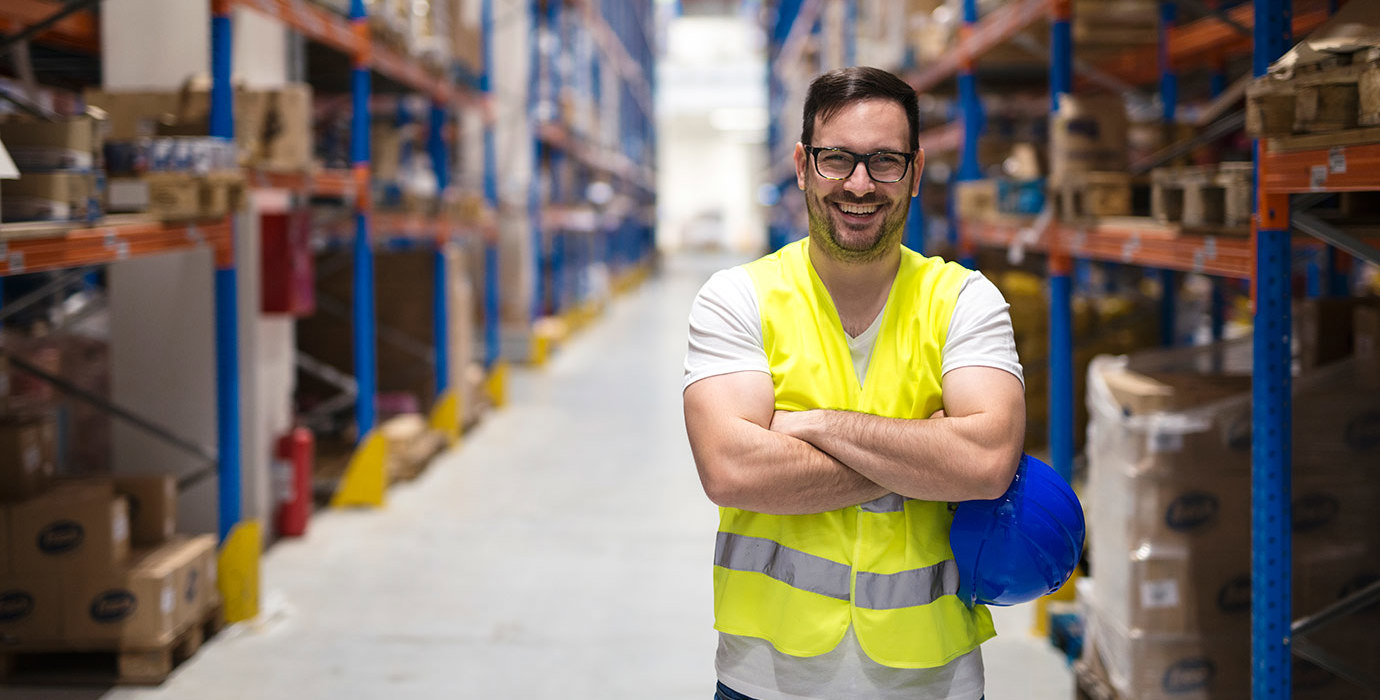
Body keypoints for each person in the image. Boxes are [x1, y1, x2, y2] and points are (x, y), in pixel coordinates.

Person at [682, 66, 1026, 700]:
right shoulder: (737, 299)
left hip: (933, 678)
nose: (860, 185)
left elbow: (986, 464)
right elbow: (731, 471)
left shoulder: (965, 301)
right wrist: (927, 451)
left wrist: (812, 426)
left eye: (886, 162)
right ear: (802, 164)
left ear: (916, 173)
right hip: (768, 677)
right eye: (837, 159)